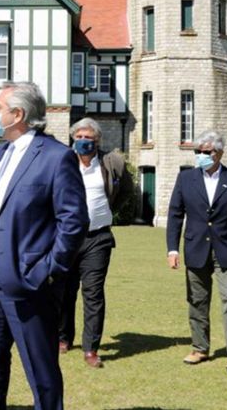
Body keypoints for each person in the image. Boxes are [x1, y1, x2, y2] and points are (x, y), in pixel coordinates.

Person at [0, 82, 88, 410]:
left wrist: (47, 271)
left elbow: (73, 223)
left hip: (29, 284)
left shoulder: (57, 158)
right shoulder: (1, 152)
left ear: (17, 114)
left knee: (41, 374)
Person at [166, 130, 227, 377]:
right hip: (195, 248)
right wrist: (172, 248)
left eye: (206, 152)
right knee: (197, 301)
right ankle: (199, 348)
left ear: (219, 153)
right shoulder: (186, 178)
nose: (201, 156)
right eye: (198, 152)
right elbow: (175, 215)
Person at [58, 117, 132, 368]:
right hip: (67, 238)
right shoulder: (62, 163)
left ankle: (91, 349)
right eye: (78, 137)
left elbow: (125, 192)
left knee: (93, 293)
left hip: (98, 238)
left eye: (88, 137)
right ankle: (63, 337)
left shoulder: (112, 163)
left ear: (97, 140)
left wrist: (108, 211)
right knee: (65, 292)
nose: (82, 142)